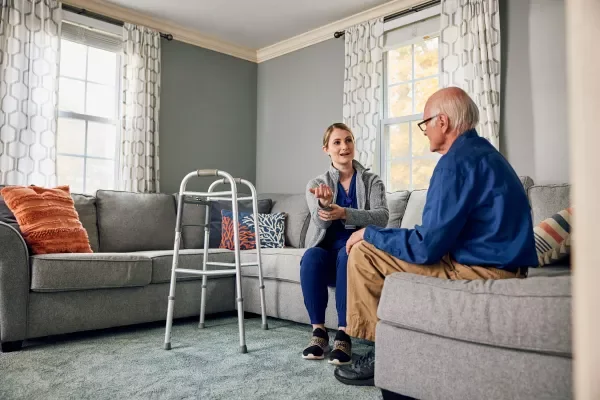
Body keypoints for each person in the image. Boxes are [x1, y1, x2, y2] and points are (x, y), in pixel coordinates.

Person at [333, 87, 539, 386]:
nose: (425, 130)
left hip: (482, 271)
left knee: (364, 251)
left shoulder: (455, 163)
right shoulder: (485, 154)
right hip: (501, 265)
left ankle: (386, 355)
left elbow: (426, 248)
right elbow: (437, 237)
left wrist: (369, 233)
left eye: (425, 123)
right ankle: (388, 342)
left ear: (442, 122)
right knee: (376, 242)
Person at [301, 122, 389, 366]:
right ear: (326, 149)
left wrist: (344, 213)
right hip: (326, 250)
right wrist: (326, 206)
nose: (344, 147)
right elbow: (321, 223)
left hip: (355, 250)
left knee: (347, 255)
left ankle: (344, 335)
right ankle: (319, 333)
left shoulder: (372, 181)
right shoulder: (316, 184)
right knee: (310, 257)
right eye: (337, 142)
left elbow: (382, 217)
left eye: (348, 140)